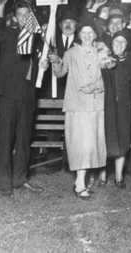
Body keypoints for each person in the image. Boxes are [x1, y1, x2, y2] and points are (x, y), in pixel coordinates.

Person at [0, 0, 43, 196]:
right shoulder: (8, 33)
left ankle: (19, 179)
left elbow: (43, 61)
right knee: (5, 139)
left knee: (24, 139)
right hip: (8, 93)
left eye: (28, 14)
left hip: (28, 94)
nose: (24, 17)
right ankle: (4, 183)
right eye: (20, 14)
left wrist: (45, 62)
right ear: (15, 17)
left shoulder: (38, 37)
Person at [47, 23, 107, 199]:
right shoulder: (71, 53)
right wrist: (56, 62)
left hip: (96, 105)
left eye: (90, 32)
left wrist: (95, 86)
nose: (87, 35)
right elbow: (60, 73)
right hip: (77, 106)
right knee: (81, 145)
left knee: (92, 145)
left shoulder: (102, 52)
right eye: (84, 32)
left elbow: (108, 77)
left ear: (95, 34)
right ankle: (80, 182)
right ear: (79, 34)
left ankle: (82, 180)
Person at [104, 31, 131, 188]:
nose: (119, 45)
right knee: (105, 139)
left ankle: (118, 177)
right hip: (106, 106)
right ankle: (102, 175)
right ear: (111, 43)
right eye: (116, 41)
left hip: (124, 107)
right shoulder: (103, 59)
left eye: (123, 42)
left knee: (123, 139)